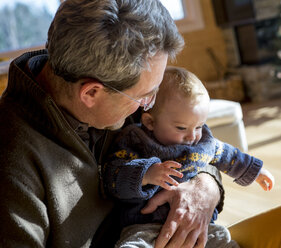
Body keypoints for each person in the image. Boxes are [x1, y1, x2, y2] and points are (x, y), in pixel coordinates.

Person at [0, 1, 226, 248]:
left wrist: (205, 185)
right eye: (145, 96)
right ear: (91, 93)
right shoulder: (12, 163)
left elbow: (196, 144)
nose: (148, 106)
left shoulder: (120, 92)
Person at [103, 66, 275, 248]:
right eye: (181, 128)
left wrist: (255, 171)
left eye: (199, 126)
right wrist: (146, 174)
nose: (192, 136)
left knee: (225, 242)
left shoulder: (203, 143)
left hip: (200, 229)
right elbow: (112, 175)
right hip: (144, 228)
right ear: (150, 122)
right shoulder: (134, 140)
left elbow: (228, 155)